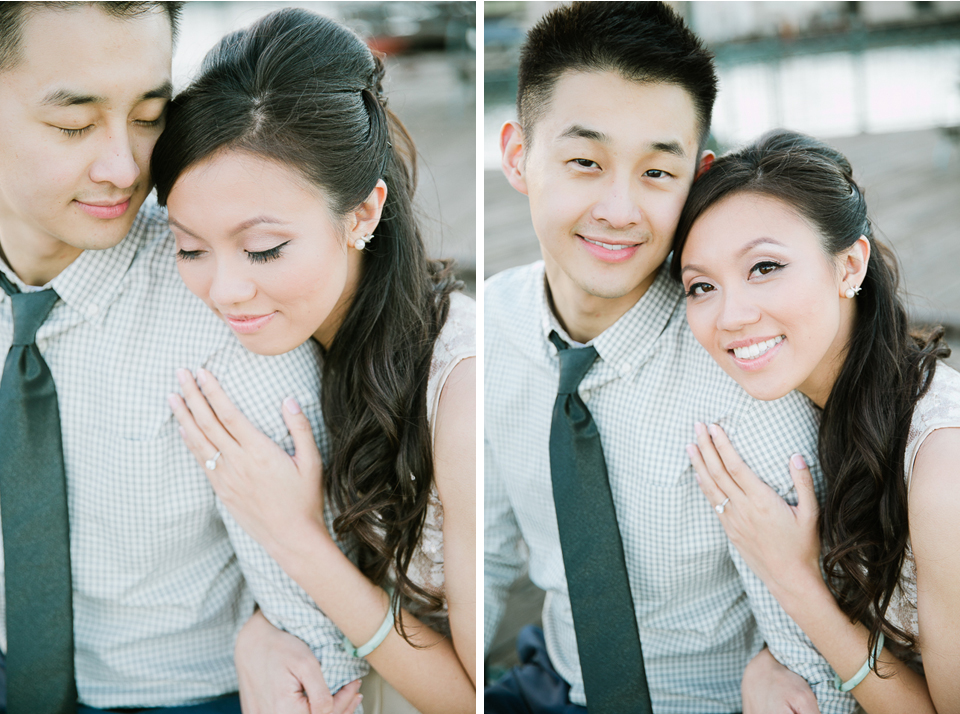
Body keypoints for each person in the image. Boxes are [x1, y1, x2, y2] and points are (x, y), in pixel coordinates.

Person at [483, 2, 857, 713]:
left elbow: (810, 659)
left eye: (658, 173)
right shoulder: (494, 330)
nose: (620, 209)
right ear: (518, 157)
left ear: (696, 179)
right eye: (586, 162)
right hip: (549, 680)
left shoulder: (743, 367)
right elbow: (489, 553)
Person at [0, 3, 363, 712]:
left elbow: (314, 611)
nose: (124, 167)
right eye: (73, 123)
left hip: (186, 695)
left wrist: (274, 638)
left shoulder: (226, 305)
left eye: (148, 115)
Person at [151, 8, 476, 714]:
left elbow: (470, 694)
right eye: (189, 247)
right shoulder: (281, 343)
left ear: (362, 214)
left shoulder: (461, 389)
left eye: (264, 248)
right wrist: (259, 630)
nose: (226, 290)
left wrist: (296, 542)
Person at [675, 129, 960, 713]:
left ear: (849, 263)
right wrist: (768, 660)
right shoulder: (803, 405)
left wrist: (793, 581)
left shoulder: (942, 468)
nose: (731, 316)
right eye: (701, 285)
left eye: (764, 267)